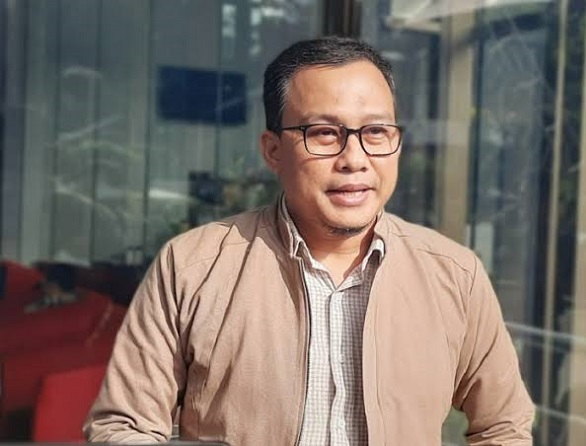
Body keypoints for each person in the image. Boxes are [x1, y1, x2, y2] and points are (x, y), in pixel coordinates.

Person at [84, 36, 534, 445]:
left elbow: (503, 427)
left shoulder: (454, 275)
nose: (354, 159)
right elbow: (123, 427)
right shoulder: (192, 267)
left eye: (376, 132)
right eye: (324, 133)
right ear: (273, 150)